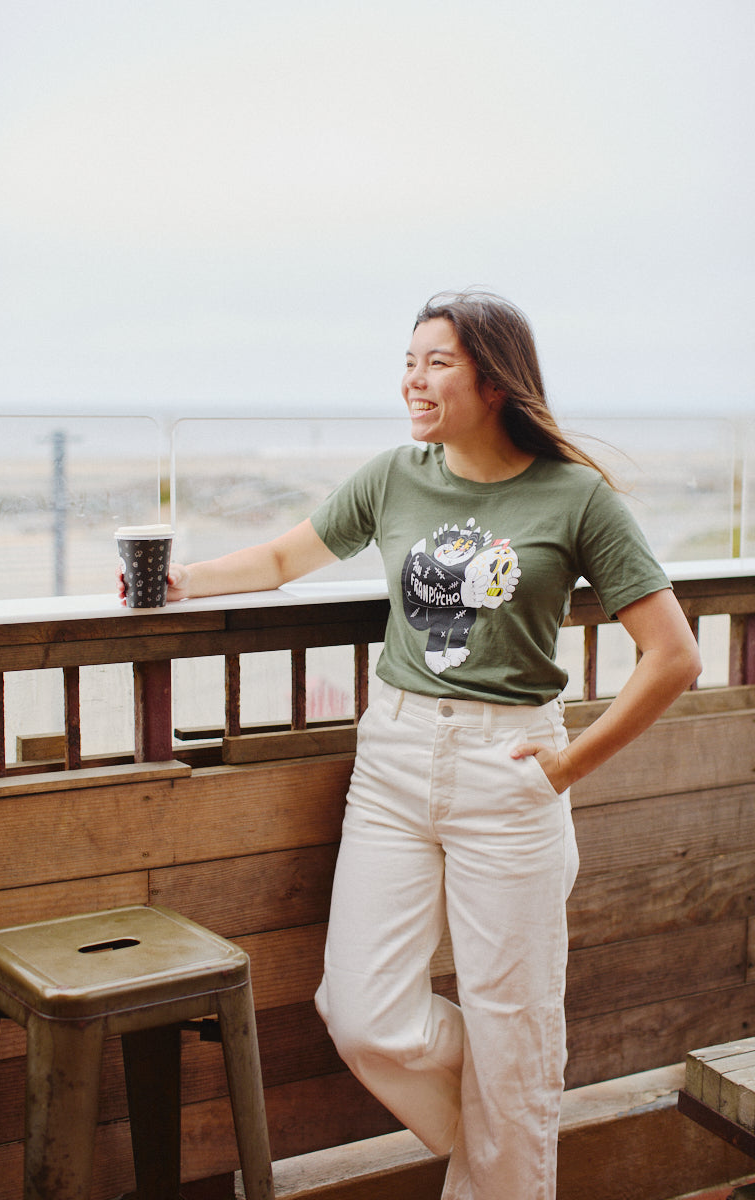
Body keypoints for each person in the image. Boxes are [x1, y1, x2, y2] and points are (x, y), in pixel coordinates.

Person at [118, 290, 701, 1199]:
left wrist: (561, 769)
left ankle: (515, 1104)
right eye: (409, 361)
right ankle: (515, 1105)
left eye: (436, 362)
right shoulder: (396, 474)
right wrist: (182, 580)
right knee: (364, 1017)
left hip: (511, 768)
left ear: (495, 379)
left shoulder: (575, 496)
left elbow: (672, 657)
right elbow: (282, 560)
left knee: (512, 1024)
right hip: (391, 760)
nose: (412, 381)